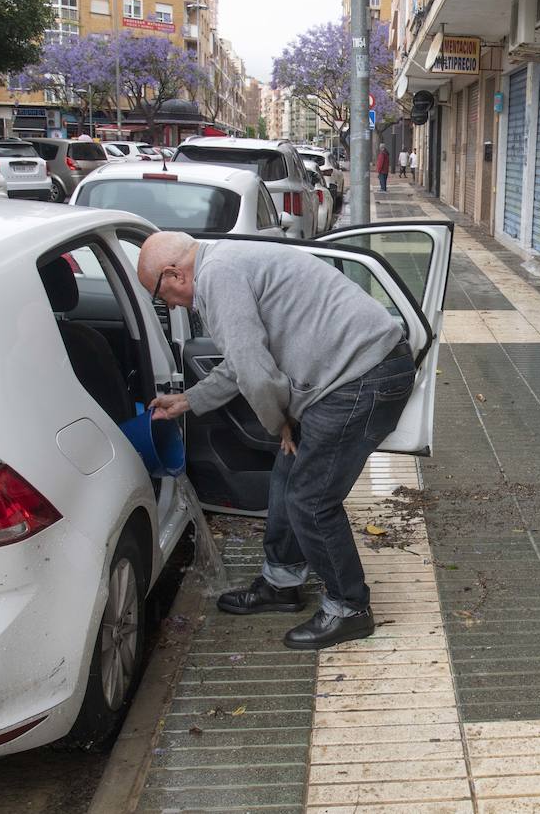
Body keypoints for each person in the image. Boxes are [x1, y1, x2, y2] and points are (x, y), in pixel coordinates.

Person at [139, 231, 415, 650]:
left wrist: (280, 424)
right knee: (288, 479)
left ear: (174, 273)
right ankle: (282, 583)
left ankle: (350, 608)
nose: (171, 305)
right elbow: (242, 360)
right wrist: (189, 400)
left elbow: (255, 373)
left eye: (162, 295)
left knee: (311, 499)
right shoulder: (223, 264)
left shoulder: (217, 275)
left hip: (362, 378)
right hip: (351, 374)